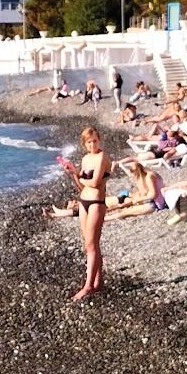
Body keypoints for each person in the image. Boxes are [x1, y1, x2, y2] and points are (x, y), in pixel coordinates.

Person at [56, 126, 109, 300]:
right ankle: (98, 282)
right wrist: (74, 174)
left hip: (96, 202)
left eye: (95, 141)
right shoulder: (86, 158)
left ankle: (87, 286)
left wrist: (79, 174)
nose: (93, 145)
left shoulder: (102, 157)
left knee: (91, 245)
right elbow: (82, 186)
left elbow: (94, 183)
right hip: (84, 200)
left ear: (99, 140)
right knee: (90, 244)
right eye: (89, 142)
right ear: (84, 144)